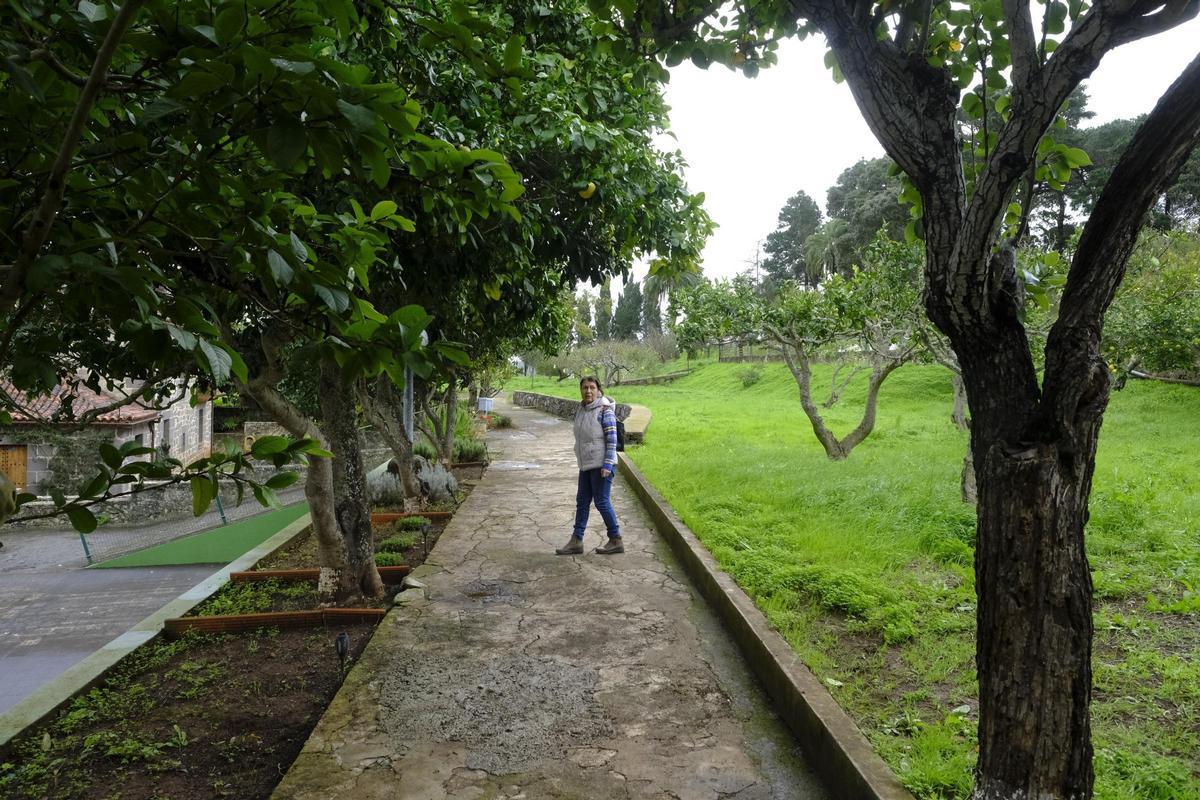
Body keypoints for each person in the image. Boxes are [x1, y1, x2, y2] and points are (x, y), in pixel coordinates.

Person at [556, 376, 623, 555]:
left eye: (592, 387)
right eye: (585, 388)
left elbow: (612, 439)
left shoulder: (605, 410)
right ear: (580, 390)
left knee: (601, 501)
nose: (588, 391)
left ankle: (616, 539)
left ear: (599, 390)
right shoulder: (582, 410)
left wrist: (608, 464)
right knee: (582, 502)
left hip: (602, 464)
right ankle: (576, 541)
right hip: (586, 464)